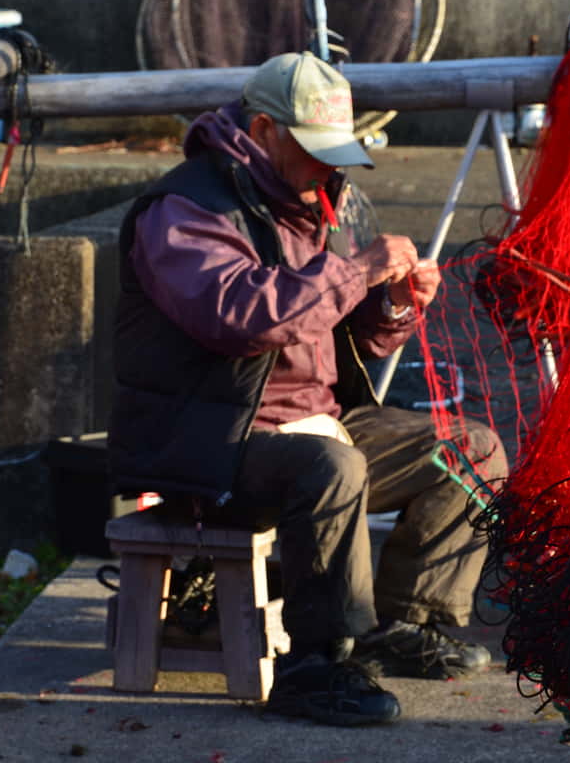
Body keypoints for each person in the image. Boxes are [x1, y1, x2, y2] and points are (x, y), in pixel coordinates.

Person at [107, 52, 508, 727]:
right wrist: (356, 272)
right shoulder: (184, 210)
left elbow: (345, 333)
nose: (328, 166)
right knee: (330, 467)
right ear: (263, 131)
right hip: (208, 441)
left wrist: (394, 303)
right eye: (315, 148)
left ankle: (405, 620)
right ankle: (316, 664)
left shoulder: (315, 202)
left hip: (315, 426)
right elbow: (239, 317)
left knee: (472, 450)